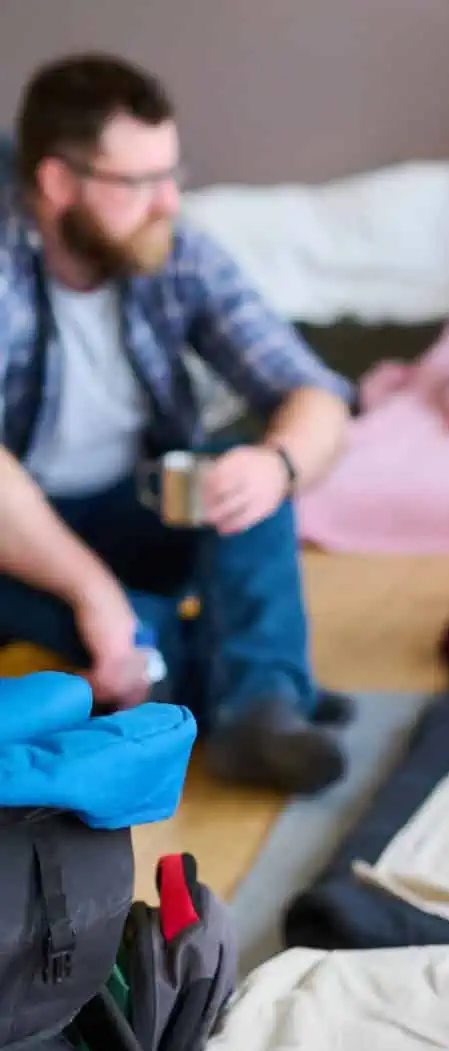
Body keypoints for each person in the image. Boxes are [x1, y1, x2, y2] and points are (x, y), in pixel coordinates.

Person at [0, 54, 355, 794]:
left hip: (135, 504)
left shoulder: (175, 252)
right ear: (58, 183)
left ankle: (253, 706)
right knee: (84, 617)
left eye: (171, 175)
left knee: (244, 466)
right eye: (138, 183)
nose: (168, 202)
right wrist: (95, 596)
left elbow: (315, 394)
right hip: (22, 538)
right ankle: (246, 678)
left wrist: (279, 464)